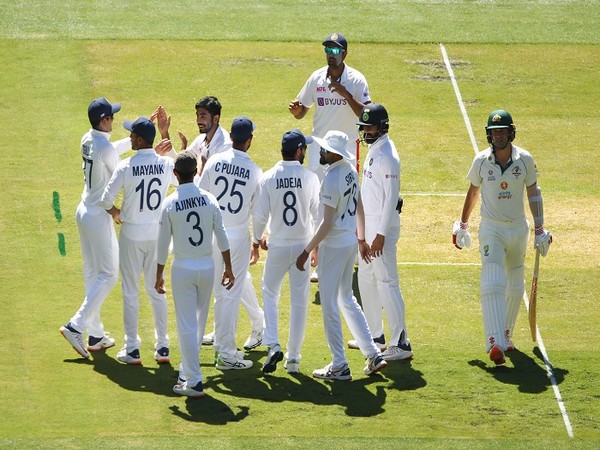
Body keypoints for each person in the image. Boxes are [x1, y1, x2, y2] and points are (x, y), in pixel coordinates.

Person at [154, 99, 265, 349]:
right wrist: (166, 137)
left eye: (203, 115)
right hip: (222, 228)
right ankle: (245, 328)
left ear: (217, 118)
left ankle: (242, 333)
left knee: (230, 284)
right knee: (232, 280)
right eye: (197, 115)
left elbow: (193, 179)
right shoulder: (204, 141)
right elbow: (185, 168)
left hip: (220, 226)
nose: (198, 120)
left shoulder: (222, 148)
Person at [453, 109, 553, 366]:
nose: (497, 136)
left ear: (510, 132)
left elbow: (534, 194)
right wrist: (463, 224)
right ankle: (493, 341)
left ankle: (506, 334)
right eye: (493, 132)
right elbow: (473, 192)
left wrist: (540, 228)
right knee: (493, 277)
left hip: (518, 228)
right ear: (489, 135)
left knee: (515, 283)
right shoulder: (482, 161)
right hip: (492, 229)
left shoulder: (525, 160)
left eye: (502, 131)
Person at [295, 130, 387, 380]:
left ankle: (339, 364)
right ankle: (372, 354)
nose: (321, 153)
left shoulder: (331, 179)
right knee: (347, 298)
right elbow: (359, 206)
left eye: (324, 150)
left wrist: (307, 250)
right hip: (348, 244)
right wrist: (361, 239)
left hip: (334, 248)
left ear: (333, 153)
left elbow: (326, 224)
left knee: (331, 307)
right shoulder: (349, 170)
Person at [289, 31, 371, 283]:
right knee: (320, 205)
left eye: (335, 51)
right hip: (319, 151)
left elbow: (368, 115)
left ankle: (356, 246)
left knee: (351, 200)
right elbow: (302, 111)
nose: (330, 55)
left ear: (344, 54)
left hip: (346, 149)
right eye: (328, 50)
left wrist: (345, 94)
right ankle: (320, 259)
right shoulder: (316, 78)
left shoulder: (356, 80)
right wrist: (297, 111)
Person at [155, 151, 234, 397]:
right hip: (207, 267)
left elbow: (161, 244)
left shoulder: (169, 203)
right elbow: (222, 235)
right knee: (198, 322)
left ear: (175, 174)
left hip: (183, 268)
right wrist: (229, 267)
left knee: (187, 325)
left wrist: (158, 275)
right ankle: (188, 370)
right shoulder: (209, 199)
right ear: (197, 172)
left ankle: (193, 380)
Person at [100, 117, 176, 365]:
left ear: (140, 140)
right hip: (157, 233)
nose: (130, 138)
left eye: (132, 135)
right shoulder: (165, 165)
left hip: (132, 234)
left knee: (131, 291)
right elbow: (183, 179)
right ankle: (162, 346)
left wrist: (115, 213)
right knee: (157, 290)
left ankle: (132, 348)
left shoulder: (126, 166)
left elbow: (105, 199)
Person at [60, 98, 131, 359]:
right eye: (111, 117)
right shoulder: (105, 148)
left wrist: (135, 143)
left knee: (93, 273)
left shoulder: (88, 139)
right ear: (103, 120)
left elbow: (112, 150)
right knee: (109, 274)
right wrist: (147, 151)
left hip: (84, 210)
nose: (113, 119)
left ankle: (97, 334)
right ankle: (75, 326)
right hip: (99, 215)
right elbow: (119, 168)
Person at [197, 116, 262, 370]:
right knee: (230, 296)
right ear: (249, 141)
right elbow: (257, 213)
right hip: (236, 237)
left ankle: (221, 345)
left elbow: (201, 195)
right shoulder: (255, 171)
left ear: (231, 137)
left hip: (212, 234)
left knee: (220, 293)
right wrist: (256, 242)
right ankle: (225, 353)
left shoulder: (214, 160)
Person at [253, 129, 320, 374]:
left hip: (279, 245)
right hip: (303, 245)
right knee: (299, 301)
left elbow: (260, 216)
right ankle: (293, 358)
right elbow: (316, 215)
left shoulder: (269, 177)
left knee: (270, 293)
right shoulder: (310, 178)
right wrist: (315, 248)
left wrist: (256, 239)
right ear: (299, 150)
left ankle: (273, 344)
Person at [351, 103, 413, 361]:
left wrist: (380, 235)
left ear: (382, 127)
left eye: (370, 126)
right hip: (369, 227)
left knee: (387, 282)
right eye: (364, 127)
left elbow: (390, 199)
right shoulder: (375, 150)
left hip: (381, 229)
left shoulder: (387, 155)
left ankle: (401, 342)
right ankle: (375, 335)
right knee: (366, 278)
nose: (366, 131)